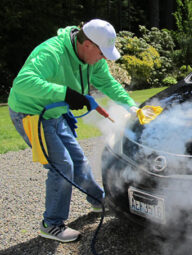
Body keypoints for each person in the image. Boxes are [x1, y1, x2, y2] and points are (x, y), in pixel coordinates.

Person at [8, 19, 139, 242]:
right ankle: (52, 224)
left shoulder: (92, 58)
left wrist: (131, 106)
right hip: (31, 115)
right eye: (102, 52)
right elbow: (23, 83)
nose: (104, 58)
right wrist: (66, 94)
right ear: (87, 44)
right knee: (62, 165)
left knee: (78, 160)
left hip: (54, 113)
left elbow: (107, 82)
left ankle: (100, 201)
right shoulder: (52, 52)